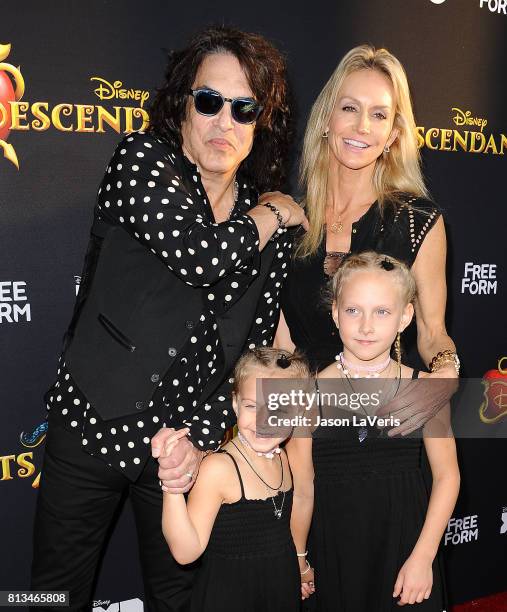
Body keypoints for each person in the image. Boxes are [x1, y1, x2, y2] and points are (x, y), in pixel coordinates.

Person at [31, 26, 307, 611]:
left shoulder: (268, 220)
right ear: (183, 103)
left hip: (182, 457)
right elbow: (202, 255)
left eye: (244, 108)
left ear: (262, 123)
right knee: (48, 595)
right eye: (208, 101)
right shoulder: (144, 162)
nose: (223, 121)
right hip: (92, 425)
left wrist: (202, 446)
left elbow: (252, 353)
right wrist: (271, 215)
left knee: (185, 600)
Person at [275, 44, 459, 435]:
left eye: (378, 115)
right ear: (326, 119)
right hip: (308, 429)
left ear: (393, 134)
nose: (362, 127)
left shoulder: (417, 221)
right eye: (349, 108)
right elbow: (283, 346)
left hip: (386, 423)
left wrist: (445, 377)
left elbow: (432, 333)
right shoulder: (290, 221)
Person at [287, 251, 460, 611]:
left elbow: (447, 478)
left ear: (405, 316)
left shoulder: (427, 389)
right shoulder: (304, 395)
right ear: (335, 313)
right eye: (354, 311)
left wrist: (423, 557)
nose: (367, 326)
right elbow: (302, 488)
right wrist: (299, 558)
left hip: (406, 548)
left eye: (382, 311)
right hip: (333, 549)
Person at [162, 348, 315, 611]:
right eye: (251, 406)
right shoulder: (219, 469)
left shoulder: (283, 458)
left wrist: (297, 567)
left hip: (279, 591)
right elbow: (186, 552)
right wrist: (172, 486)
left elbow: (279, 537)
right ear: (235, 404)